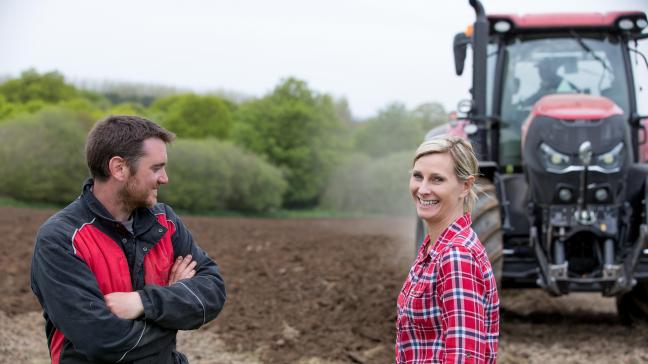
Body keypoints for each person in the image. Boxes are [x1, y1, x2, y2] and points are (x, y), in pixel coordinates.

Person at [30, 115, 226, 364]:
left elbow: (213, 292)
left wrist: (143, 302)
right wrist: (173, 305)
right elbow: (103, 341)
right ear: (119, 168)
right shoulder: (61, 239)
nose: (165, 178)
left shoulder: (165, 222)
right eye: (156, 168)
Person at [396, 135, 499, 363]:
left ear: (466, 185)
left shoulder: (457, 257)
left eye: (437, 180)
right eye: (417, 176)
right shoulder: (434, 250)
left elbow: (464, 357)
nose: (423, 189)